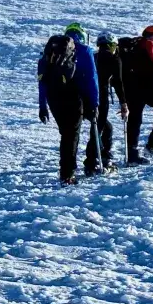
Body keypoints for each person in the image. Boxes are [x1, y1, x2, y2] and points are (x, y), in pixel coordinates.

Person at [37, 23, 98, 184]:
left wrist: (42, 106)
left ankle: (68, 169)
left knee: (67, 134)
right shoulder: (85, 51)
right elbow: (92, 79)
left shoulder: (49, 53)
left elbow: (42, 80)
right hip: (73, 96)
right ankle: (67, 174)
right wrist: (94, 103)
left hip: (53, 96)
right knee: (72, 135)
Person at [118, 25, 153, 164]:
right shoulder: (149, 44)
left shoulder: (131, 43)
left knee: (134, 118)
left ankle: (132, 154)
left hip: (128, 88)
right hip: (145, 88)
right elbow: (152, 71)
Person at [90, 33, 127, 174]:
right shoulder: (114, 59)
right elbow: (118, 83)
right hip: (101, 99)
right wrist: (123, 103)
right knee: (98, 129)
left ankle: (102, 156)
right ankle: (93, 161)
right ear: (112, 45)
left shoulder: (93, 57)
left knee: (104, 128)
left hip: (88, 98)